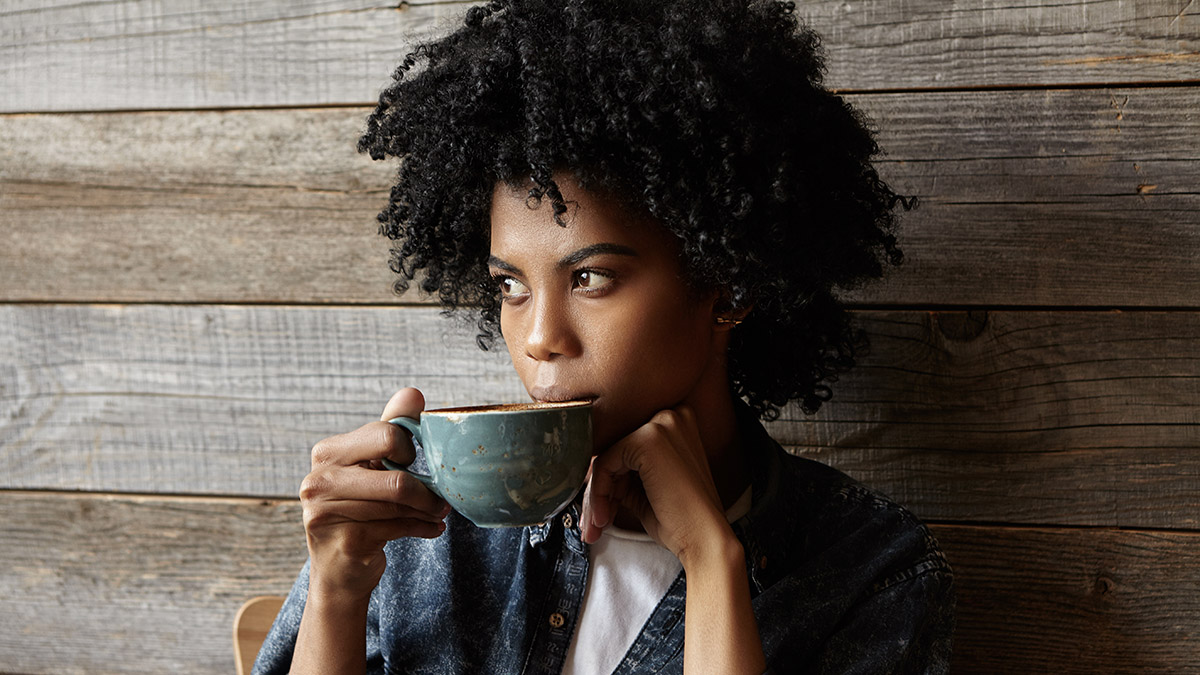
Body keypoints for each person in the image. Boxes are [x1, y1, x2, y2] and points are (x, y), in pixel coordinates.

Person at [255, 0, 955, 672]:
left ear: (730, 284)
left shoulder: (870, 572)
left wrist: (713, 561)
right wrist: (338, 592)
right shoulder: (419, 534)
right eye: (510, 286)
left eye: (590, 278)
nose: (538, 337)